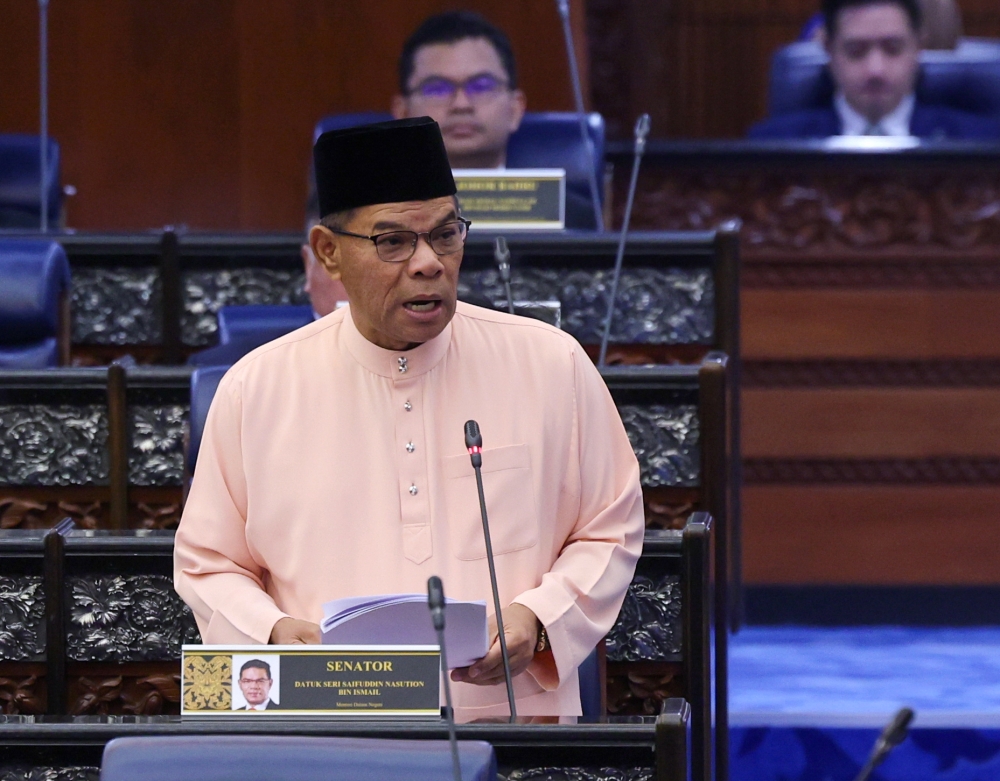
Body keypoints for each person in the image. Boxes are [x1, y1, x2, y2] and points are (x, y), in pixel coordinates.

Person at [174, 117, 644, 717]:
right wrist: (271, 631)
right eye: (393, 241)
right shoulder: (257, 388)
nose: (428, 263)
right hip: (324, 727)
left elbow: (611, 525)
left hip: (510, 727)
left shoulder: (551, 363)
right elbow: (206, 563)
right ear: (329, 253)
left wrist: (540, 618)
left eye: (445, 235)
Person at [391, 10, 598, 228]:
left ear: (515, 110)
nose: (461, 105)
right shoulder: (368, 217)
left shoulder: (570, 219)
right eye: (437, 89)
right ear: (402, 113)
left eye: (482, 86)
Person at [750, 0, 998, 140]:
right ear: (828, 49)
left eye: (892, 48)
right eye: (856, 51)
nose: (875, 71)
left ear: (919, 47)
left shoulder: (980, 142)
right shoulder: (771, 144)